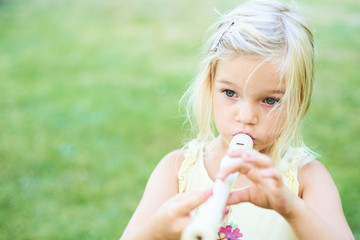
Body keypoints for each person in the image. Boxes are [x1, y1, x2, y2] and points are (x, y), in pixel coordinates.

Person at [121, 0, 354, 239]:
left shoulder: (307, 178)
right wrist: (157, 230)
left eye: (270, 100)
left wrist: (293, 210)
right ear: (210, 85)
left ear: (299, 100)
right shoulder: (176, 170)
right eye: (230, 93)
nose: (246, 117)